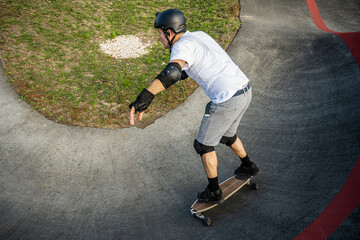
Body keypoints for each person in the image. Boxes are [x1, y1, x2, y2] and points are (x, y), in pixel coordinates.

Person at [129, 9, 260, 203]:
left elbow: (172, 73)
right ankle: (248, 166)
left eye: (160, 33)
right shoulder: (199, 36)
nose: (159, 38)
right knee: (227, 134)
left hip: (227, 99)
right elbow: (191, 66)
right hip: (244, 89)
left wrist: (145, 97)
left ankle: (214, 191)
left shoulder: (181, 47)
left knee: (203, 145)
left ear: (170, 32)